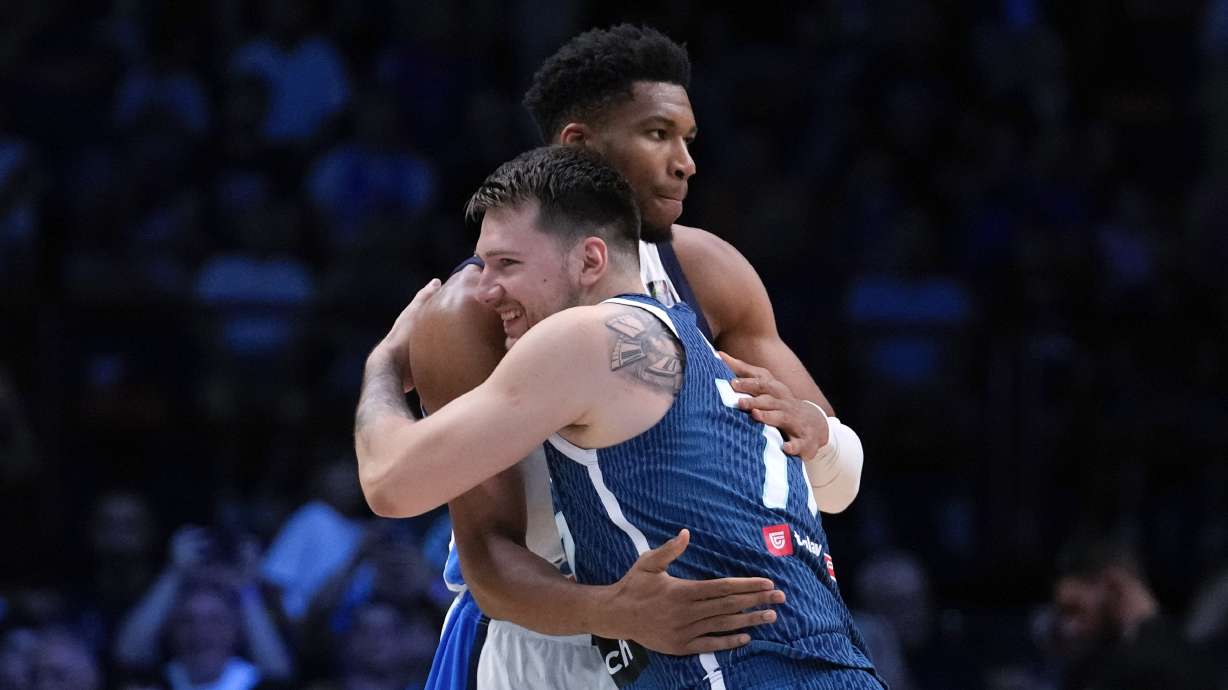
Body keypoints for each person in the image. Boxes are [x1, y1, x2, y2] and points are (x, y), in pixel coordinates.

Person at [403, 24, 868, 690]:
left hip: (695, 648)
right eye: (658, 135)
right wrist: (613, 610)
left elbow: (838, 486)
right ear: (579, 147)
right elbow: (488, 558)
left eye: (688, 139)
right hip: (538, 643)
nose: (685, 162)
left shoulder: (705, 271)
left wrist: (818, 436)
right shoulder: (472, 313)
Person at [1051, 533, 1216, 690]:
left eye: (1075, 609)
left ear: (1112, 585)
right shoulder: (1098, 663)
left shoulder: (1161, 665)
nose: (1070, 627)